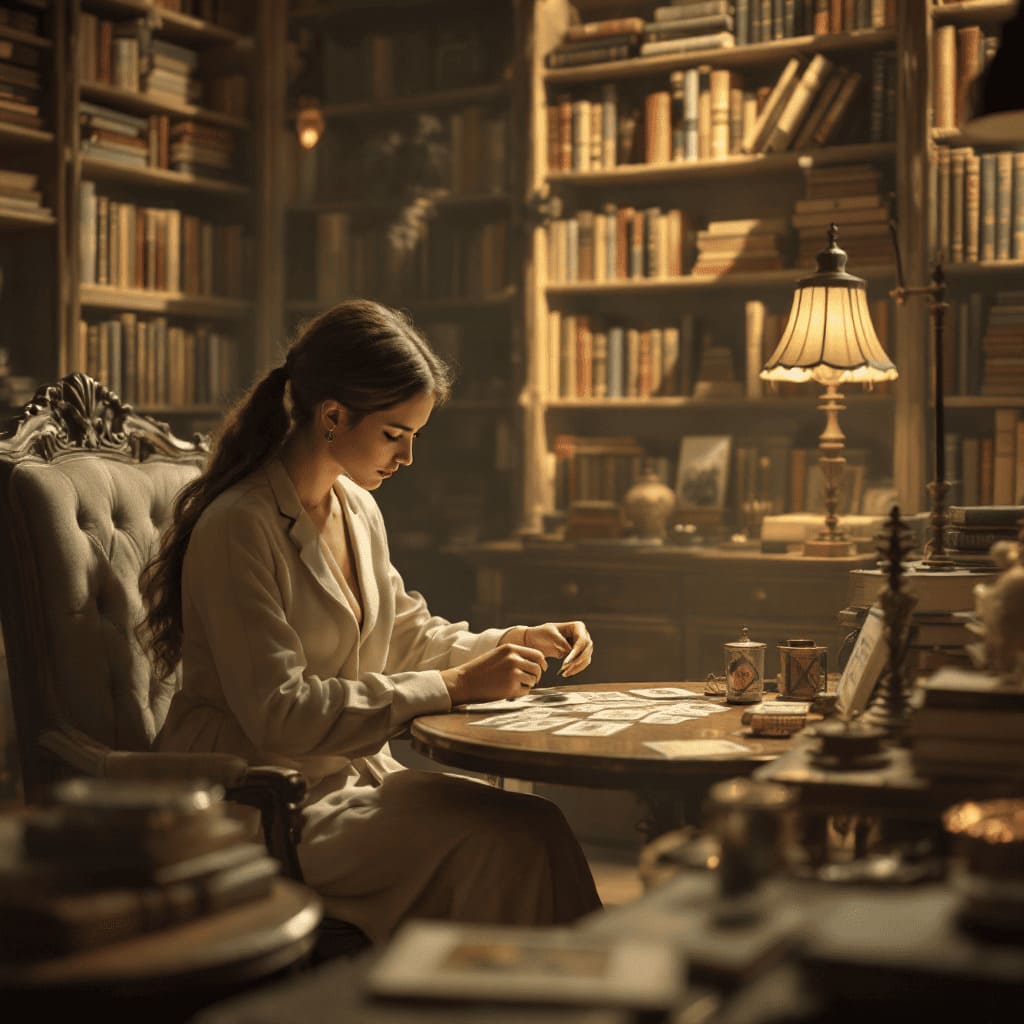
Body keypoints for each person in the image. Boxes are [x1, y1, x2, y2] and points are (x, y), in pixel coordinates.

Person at [139, 299, 602, 944]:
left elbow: (406, 632)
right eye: (394, 434)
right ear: (333, 416)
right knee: (508, 842)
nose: (408, 456)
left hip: (346, 781)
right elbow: (280, 712)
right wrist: (455, 686)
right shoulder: (239, 527)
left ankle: (568, 987)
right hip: (256, 801)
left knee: (536, 822)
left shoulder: (355, 507)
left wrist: (515, 642)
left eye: (415, 436)